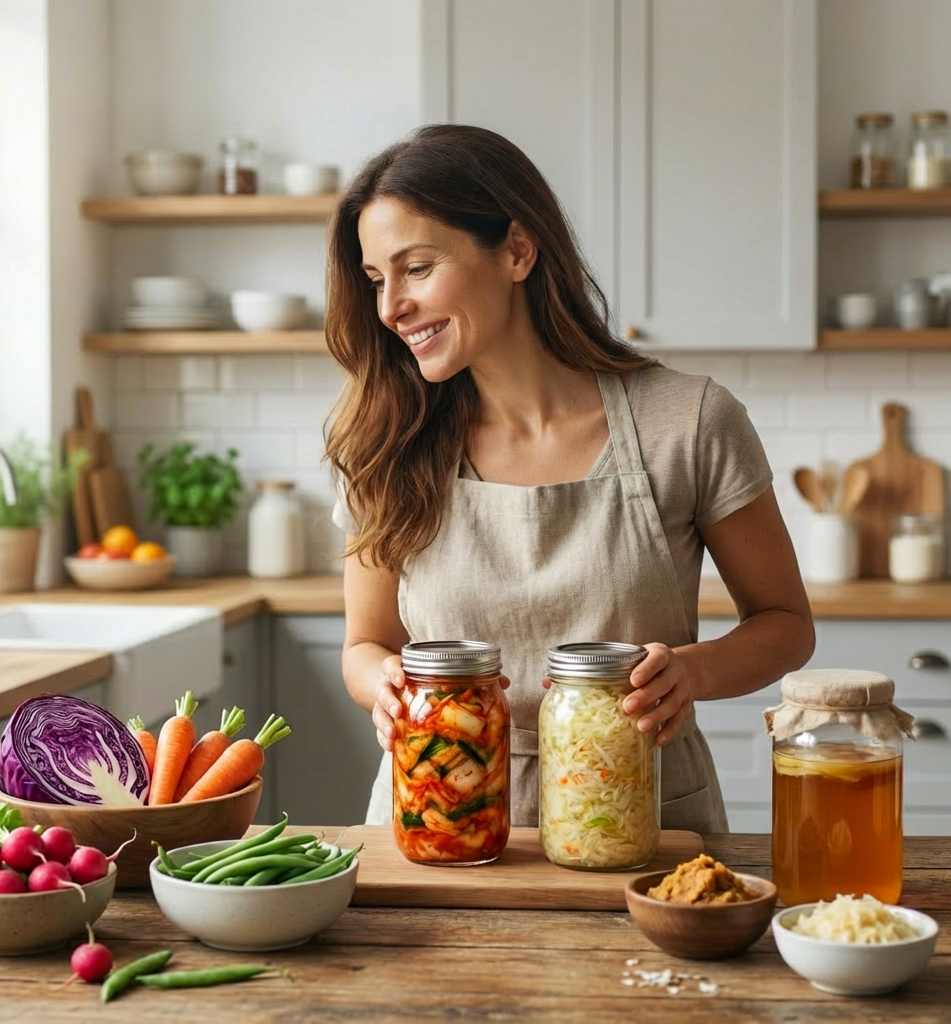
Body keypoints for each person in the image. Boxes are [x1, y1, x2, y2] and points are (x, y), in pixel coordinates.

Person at [325, 123, 815, 833]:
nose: (389, 306)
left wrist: (694, 673)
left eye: (418, 268)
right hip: (437, 817)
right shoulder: (384, 439)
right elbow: (363, 646)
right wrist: (386, 686)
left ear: (517, 250)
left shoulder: (688, 420)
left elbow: (786, 624)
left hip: (641, 819)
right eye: (376, 279)